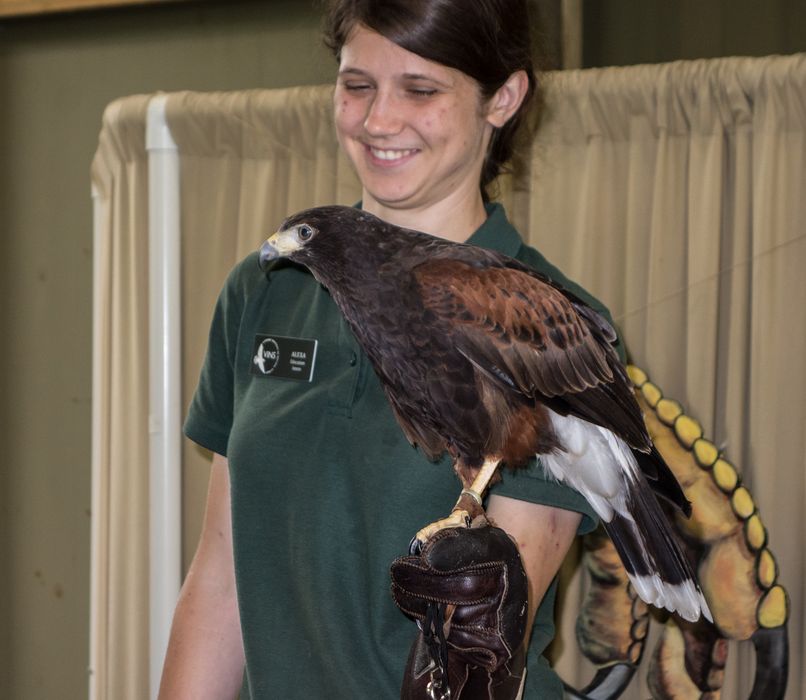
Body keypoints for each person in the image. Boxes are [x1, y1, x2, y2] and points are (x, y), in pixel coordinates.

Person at [158, 1, 618, 697]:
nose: (378, 120)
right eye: (357, 85)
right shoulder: (267, 290)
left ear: (503, 98)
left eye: (421, 90)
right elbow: (221, 577)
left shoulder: (547, 328)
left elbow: (487, 641)